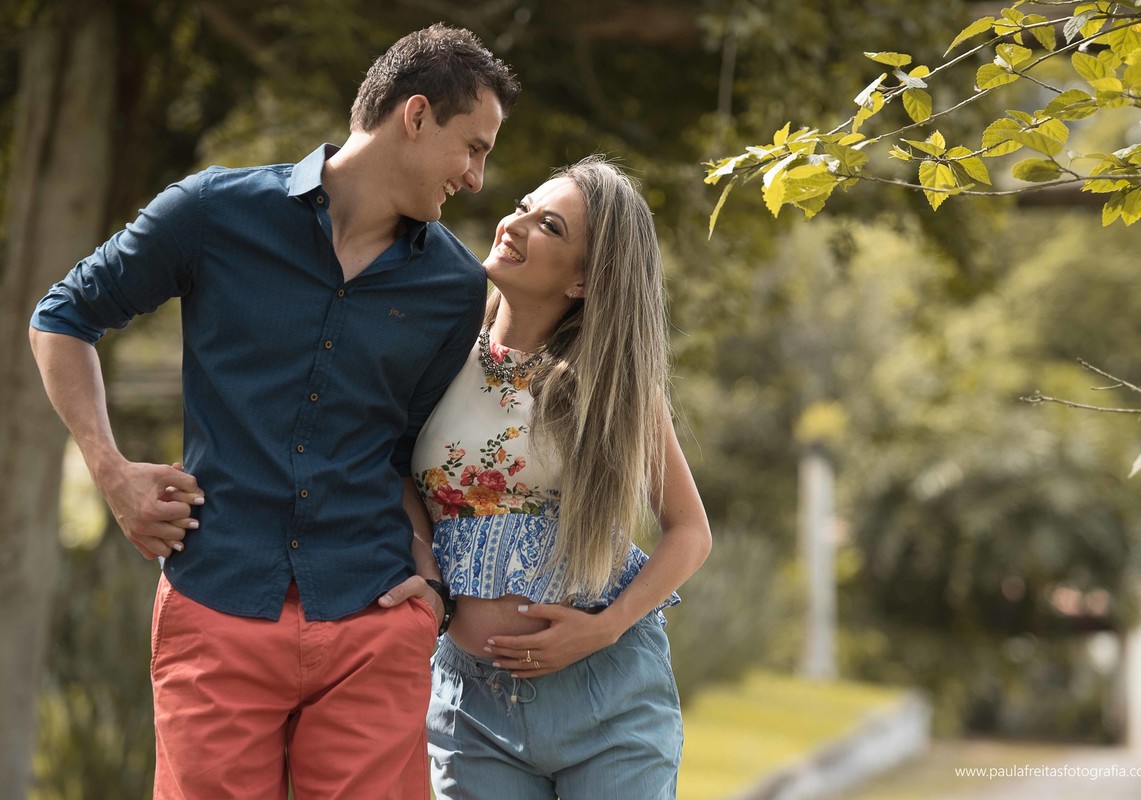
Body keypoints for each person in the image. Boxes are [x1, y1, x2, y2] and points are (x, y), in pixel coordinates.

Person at [28, 24, 519, 799]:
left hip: (373, 612)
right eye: (474, 147)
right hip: (219, 598)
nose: (477, 178)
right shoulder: (213, 212)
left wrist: (426, 578)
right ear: (415, 115)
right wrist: (109, 470)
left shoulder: (454, 288)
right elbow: (63, 317)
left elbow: (412, 452)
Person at [410, 155, 712, 799]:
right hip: (471, 705)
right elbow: (391, 475)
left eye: (547, 225)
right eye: (522, 207)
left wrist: (605, 627)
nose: (513, 225)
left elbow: (690, 532)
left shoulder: (609, 386)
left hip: (606, 694)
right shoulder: (437, 355)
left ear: (583, 280)